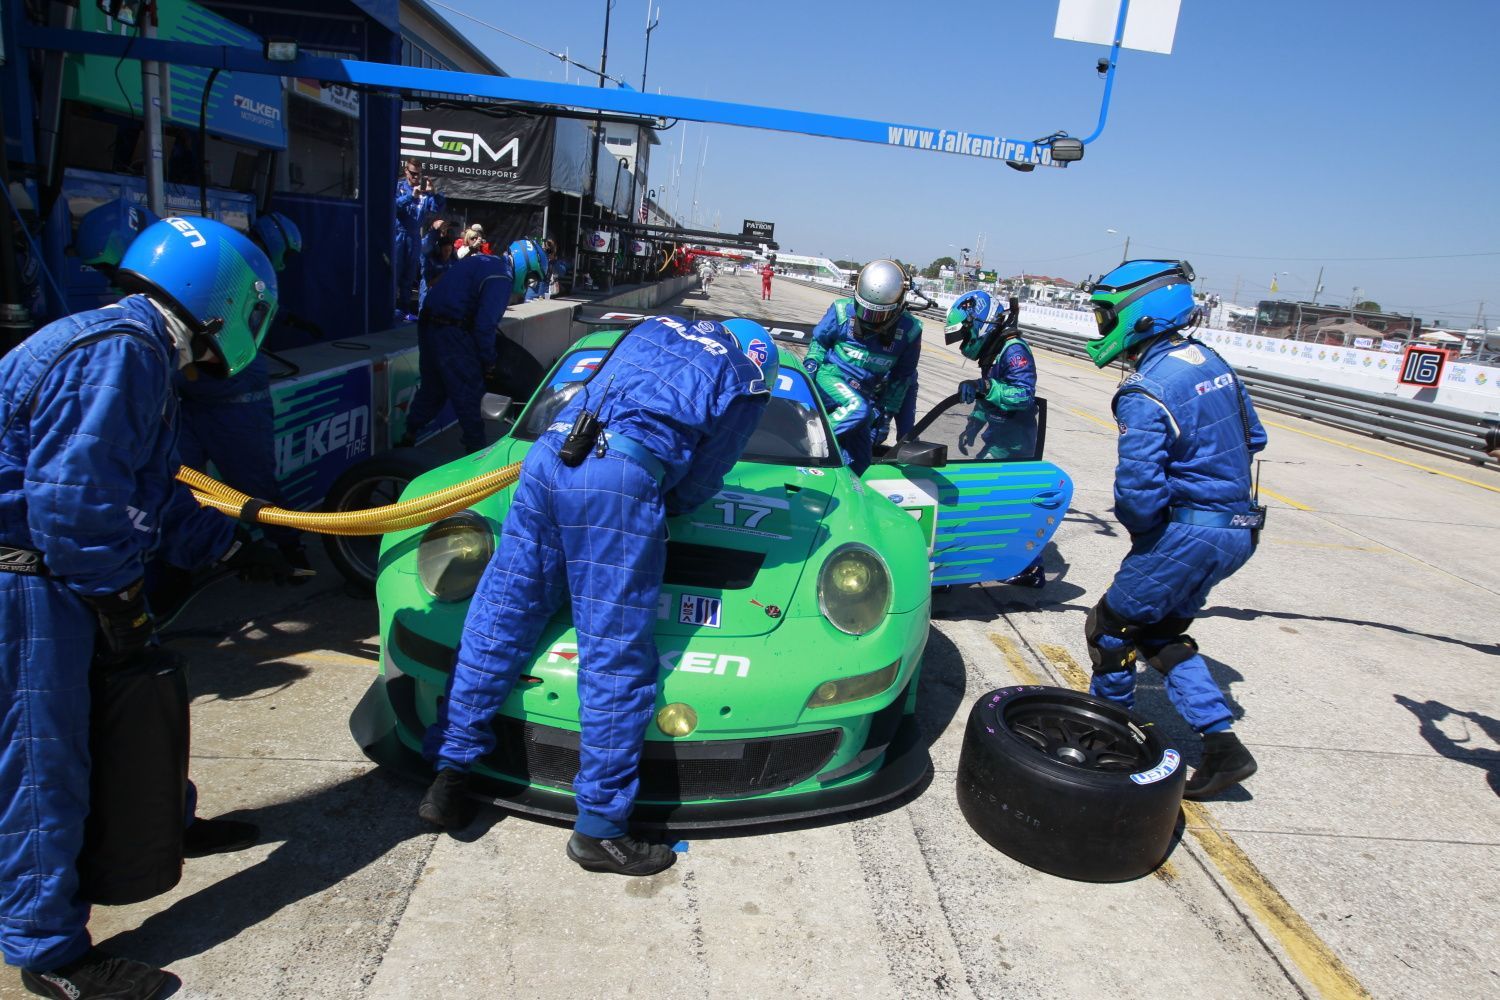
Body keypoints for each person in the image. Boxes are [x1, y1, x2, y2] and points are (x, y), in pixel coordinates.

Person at [0, 216, 288, 999]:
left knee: (140, 707)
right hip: (30, 579)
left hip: (65, 572)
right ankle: (50, 951)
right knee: (44, 761)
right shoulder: (119, 354)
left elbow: (153, 488)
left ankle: (165, 824)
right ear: (223, 308)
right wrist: (119, 598)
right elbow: (77, 504)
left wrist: (225, 542)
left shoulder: (135, 350)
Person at [416, 315, 777, 875]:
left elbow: (595, 387)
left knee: (501, 619)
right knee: (614, 659)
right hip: (617, 480)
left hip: (549, 456)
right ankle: (600, 831)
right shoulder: (746, 373)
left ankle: (449, 777)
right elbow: (705, 476)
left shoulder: (657, 327)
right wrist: (658, 501)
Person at [1082, 259, 1267, 800]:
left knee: (1109, 628)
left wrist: (1150, 539)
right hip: (1239, 528)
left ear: (1139, 315)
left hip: (1190, 533)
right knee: (1158, 632)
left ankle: (1109, 736)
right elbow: (1255, 438)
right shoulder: (1213, 361)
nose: (1100, 325)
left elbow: (1137, 494)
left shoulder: (1144, 389)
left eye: (1104, 315)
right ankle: (1223, 747)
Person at [401, 240, 546, 452]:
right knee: (469, 393)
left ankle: (407, 437)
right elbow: (485, 326)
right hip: (451, 331)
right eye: (532, 277)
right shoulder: (502, 277)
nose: (529, 284)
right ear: (525, 266)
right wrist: (489, 362)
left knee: (433, 389)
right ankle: (475, 458)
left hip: (429, 325)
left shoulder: (487, 262)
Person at [946, 290, 1045, 587]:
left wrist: (985, 386)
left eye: (965, 335)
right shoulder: (994, 351)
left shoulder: (1014, 351)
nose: (964, 343)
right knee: (991, 507)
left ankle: (1028, 568)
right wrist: (973, 425)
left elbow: (1024, 395)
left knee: (998, 507)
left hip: (1014, 444)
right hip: (998, 437)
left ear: (981, 323)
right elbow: (988, 396)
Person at [803, 258, 922, 473]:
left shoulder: (911, 330)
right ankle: (806, 442)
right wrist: (809, 370)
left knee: (862, 462)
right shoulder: (841, 310)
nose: (870, 319)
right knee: (857, 409)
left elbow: (901, 379)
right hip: (830, 379)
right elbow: (819, 343)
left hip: (865, 397)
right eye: (866, 311)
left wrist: (886, 416)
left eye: (878, 313)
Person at [395, 159, 444, 319]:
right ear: (406, 171)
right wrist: (410, 196)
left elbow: (437, 209)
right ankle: (390, 310)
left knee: (409, 276)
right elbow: (392, 207)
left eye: (419, 174)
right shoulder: (399, 187)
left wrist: (434, 192)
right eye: (413, 174)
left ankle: (404, 309)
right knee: (395, 273)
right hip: (398, 234)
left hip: (415, 236)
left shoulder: (425, 192)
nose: (416, 177)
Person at [420, 220, 456, 310]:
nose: (447, 253)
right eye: (442, 229)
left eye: (447, 230)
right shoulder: (429, 255)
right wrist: (435, 230)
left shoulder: (453, 259)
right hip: (430, 294)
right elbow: (428, 283)